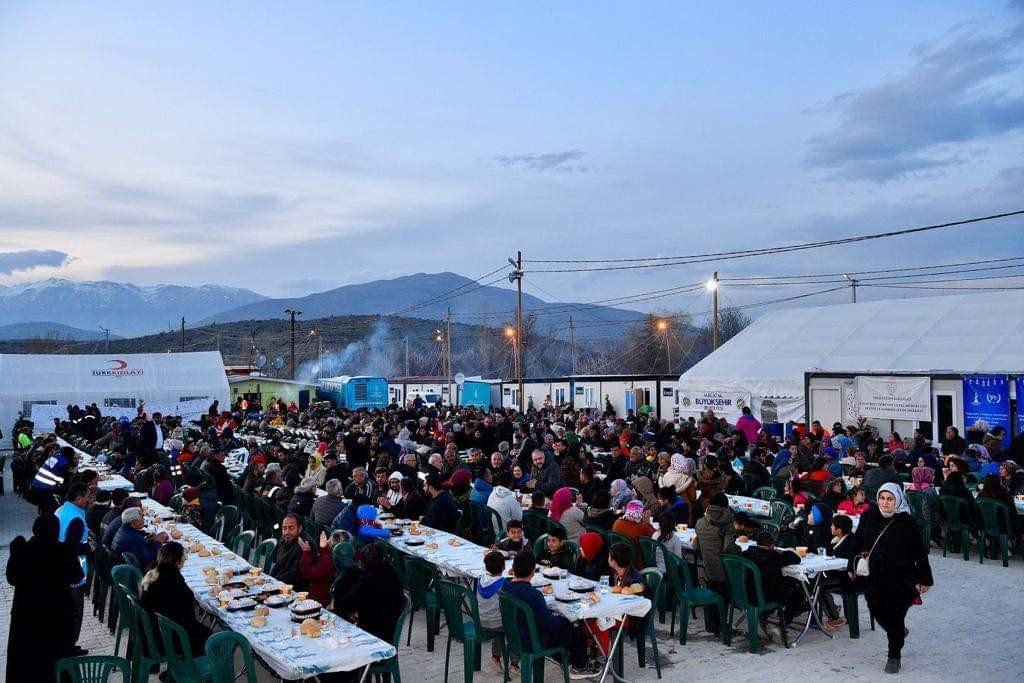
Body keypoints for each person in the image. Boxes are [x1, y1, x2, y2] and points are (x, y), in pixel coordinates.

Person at [853, 483, 933, 674]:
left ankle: (894, 656)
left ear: (897, 500)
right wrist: (852, 566)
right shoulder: (869, 517)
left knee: (895, 615)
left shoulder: (906, 522)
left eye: (890, 499)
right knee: (876, 609)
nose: (886, 502)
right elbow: (857, 543)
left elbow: (919, 552)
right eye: (882, 498)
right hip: (874, 576)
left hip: (901, 578)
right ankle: (897, 631)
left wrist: (925, 579)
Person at [5, 515, 84, 681]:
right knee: (57, 662)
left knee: (27, 663)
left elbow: (11, 578)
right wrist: (71, 547)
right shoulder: (62, 552)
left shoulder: (22, 549)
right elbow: (77, 576)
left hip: (26, 617)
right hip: (57, 618)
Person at [502, 551, 589, 676]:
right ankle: (579, 667)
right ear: (533, 571)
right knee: (576, 632)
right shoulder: (533, 594)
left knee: (559, 627)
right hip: (533, 642)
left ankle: (566, 660)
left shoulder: (505, 586)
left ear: (513, 569)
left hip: (513, 638)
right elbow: (549, 624)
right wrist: (566, 619)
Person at [139, 542, 209, 652]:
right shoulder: (171, 579)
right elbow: (187, 605)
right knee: (211, 637)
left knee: (203, 630)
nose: (185, 559)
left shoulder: (153, 568)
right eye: (183, 556)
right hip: (164, 636)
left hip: (150, 628)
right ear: (177, 562)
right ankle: (197, 666)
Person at [336, 543, 405, 642]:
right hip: (390, 625)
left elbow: (345, 604)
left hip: (374, 632)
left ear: (363, 563)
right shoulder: (391, 572)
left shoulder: (368, 580)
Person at [55, 483, 92, 651]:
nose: (89, 500)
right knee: (75, 609)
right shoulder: (76, 518)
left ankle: (65, 643)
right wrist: (88, 548)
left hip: (61, 568)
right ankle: (69, 646)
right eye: (87, 497)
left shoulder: (61, 510)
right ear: (78, 498)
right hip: (74, 570)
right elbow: (73, 546)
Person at [693, 492, 735, 634]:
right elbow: (728, 549)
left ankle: (711, 625)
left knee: (712, 594)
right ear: (726, 506)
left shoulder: (700, 522)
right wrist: (739, 548)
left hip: (707, 570)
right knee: (724, 595)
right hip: (724, 571)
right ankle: (723, 625)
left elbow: (695, 547)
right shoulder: (727, 524)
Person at [477, 550, 509, 671]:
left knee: (498, 616)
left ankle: (496, 657)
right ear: (504, 567)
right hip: (497, 624)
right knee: (511, 622)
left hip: (480, 620)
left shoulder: (480, 579)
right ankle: (514, 663)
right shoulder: (503, 584)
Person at [298, 530, 341, 606]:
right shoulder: (331, 556)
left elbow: (308, 574)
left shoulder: (329, 560)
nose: (327, 540)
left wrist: (306, 552)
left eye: (329, 539)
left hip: (319, 603)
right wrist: (323, 549)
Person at [611, 500, 655, 565]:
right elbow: (656, 536)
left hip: (619, 559)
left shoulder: (617, 522)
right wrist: (648, 523)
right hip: (637, 562)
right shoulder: (642, 526)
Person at [271, 513, 308, 589]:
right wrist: (270, 579)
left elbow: (295, 575)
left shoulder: (304, 545)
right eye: (284, 528)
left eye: (291, 528)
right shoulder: (284, 538)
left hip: (294, 589)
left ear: (300, 528)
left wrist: (275, 581)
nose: (287, 532)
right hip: (280, 582)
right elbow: (277, 564)